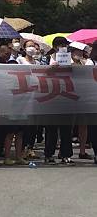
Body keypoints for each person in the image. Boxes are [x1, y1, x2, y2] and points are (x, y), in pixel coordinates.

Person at [44, 36, 74, 165]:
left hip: (67, 97)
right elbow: (39, 73)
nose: (64, 47)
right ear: (56, 46)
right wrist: (51, 69)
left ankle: (66, 154)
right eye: (62, 45)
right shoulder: (47, 59)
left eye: (65, 45)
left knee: (66, 129)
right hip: (51, 97)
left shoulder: (70, 58)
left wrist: (73, 65)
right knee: (51, 129)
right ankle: (49, 154)